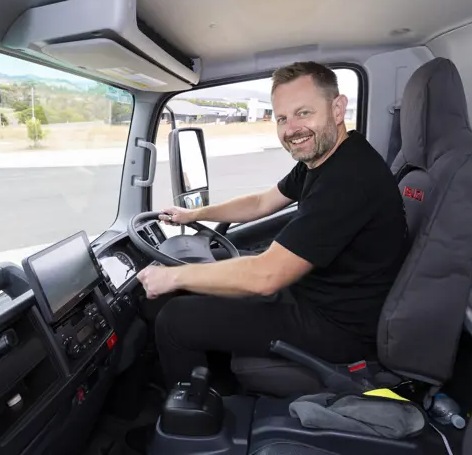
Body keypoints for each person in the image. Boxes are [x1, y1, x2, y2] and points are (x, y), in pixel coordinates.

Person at [137, 62, 408, 389]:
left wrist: (172, 276)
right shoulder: (324, 158)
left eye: (304, 112)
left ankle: (196, 414)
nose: (292, 129)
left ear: (337, 109)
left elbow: (266, 277)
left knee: (174, 319)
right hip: (313, 294)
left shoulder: (349, 178)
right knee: (203, 276)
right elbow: (261, 203)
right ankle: (215, 384)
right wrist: (193, 215)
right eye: (282, 118)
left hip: (337, 327)